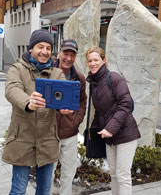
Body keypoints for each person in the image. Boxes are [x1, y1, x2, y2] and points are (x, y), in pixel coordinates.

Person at [2, 29, 67, 195]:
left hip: (47, 140)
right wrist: (27, 102)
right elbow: (12, 89)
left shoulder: (57, 73)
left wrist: (64, 108)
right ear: (31, 48)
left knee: (44, 190)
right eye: (40, 47)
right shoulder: (18, 68)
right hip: (22, 137)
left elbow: (63, 97)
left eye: (48, 48)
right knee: (18, 190)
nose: (44, 52)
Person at [85, 47, 141, 195]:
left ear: (104, 61)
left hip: (125, 134)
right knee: (114, 174)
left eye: (96, 60)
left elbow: (126, 104)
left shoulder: (114, 78)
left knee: (123, 175)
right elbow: (100, 111)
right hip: (109, 136)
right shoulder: (94, 83)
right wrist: (92, 132)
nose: (93, 63)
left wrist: (110, 128)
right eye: (90, 60)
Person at [53, 39, 87, 195]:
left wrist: (76, 120)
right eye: (65, 53)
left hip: (70, 132)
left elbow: (82, 101)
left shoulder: (79, 77)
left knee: (69, 171)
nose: (68, 58)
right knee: (47, 170)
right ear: (59, 53)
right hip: (50, 133)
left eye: (72, 55)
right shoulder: (47, 72)